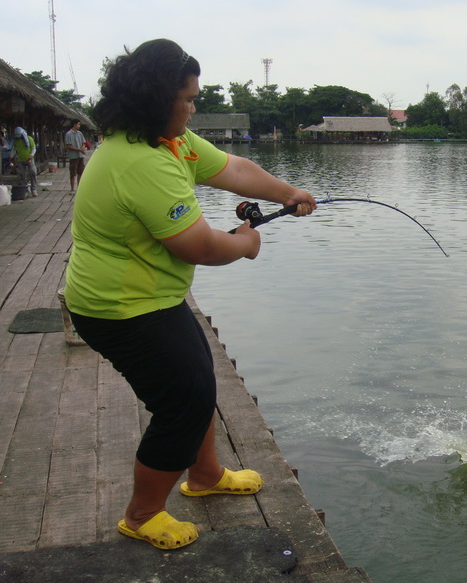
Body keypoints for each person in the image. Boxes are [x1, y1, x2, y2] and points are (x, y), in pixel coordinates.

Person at [62, 39, 316, 550]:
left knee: (199, 381)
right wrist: (245, 244)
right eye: (189, 98)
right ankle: (141, 514)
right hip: (119, 309)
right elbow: (197, 244)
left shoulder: (167, 141)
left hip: (150, 298)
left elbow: (234, 169)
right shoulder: (140, 162)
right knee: (183, 402)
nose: (194, 106)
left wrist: (287, 192)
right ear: (160, 99)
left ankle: (204, 477)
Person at [11, 127, 38, 196]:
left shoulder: (29, 139)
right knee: (22, 175)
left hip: (29, 159)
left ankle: (33, 189)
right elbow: (14, 149)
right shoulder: (16, 141)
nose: (19, 138)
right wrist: (11, 156)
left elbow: (33, 148)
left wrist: (31, 155)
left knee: (33, 172)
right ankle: (25, 190)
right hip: (20, 159)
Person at [64, 119, 87, 191]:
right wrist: (80, 150)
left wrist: (83, 147)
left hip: (80, 156)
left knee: (80, 172)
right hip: (73, 156)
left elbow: (84, 142)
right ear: (74, 124)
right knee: (73, 173)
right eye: (78, 124)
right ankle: (72, 189)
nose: (79, 125)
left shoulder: (80, 133)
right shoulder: (68, 134)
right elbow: (68, 146)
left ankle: (79, 188)